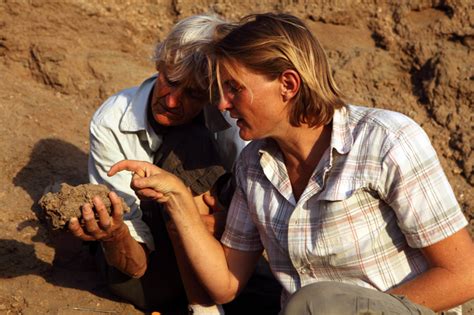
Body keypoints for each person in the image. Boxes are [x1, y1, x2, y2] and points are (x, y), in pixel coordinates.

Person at [109, 13, 474, 315]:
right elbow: (224, 284)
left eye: (234, 88)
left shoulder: (386, 141)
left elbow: (464, 274)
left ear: (288, 83)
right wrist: (176, 199)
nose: (222, 104)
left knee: (315, 302)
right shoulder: (254, 166)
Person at [68, 14, 280, 314]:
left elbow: (254, 193)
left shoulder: (231, 117)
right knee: (187, 146)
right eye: (171, 82)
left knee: (277, 299)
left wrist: (223, 223)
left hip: (219, 247)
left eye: (193, 93)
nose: (171, 101)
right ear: (160, 65)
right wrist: (114, 235)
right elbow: (133, 251)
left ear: (212, 94)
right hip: (151, 269)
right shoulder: (113, 122)